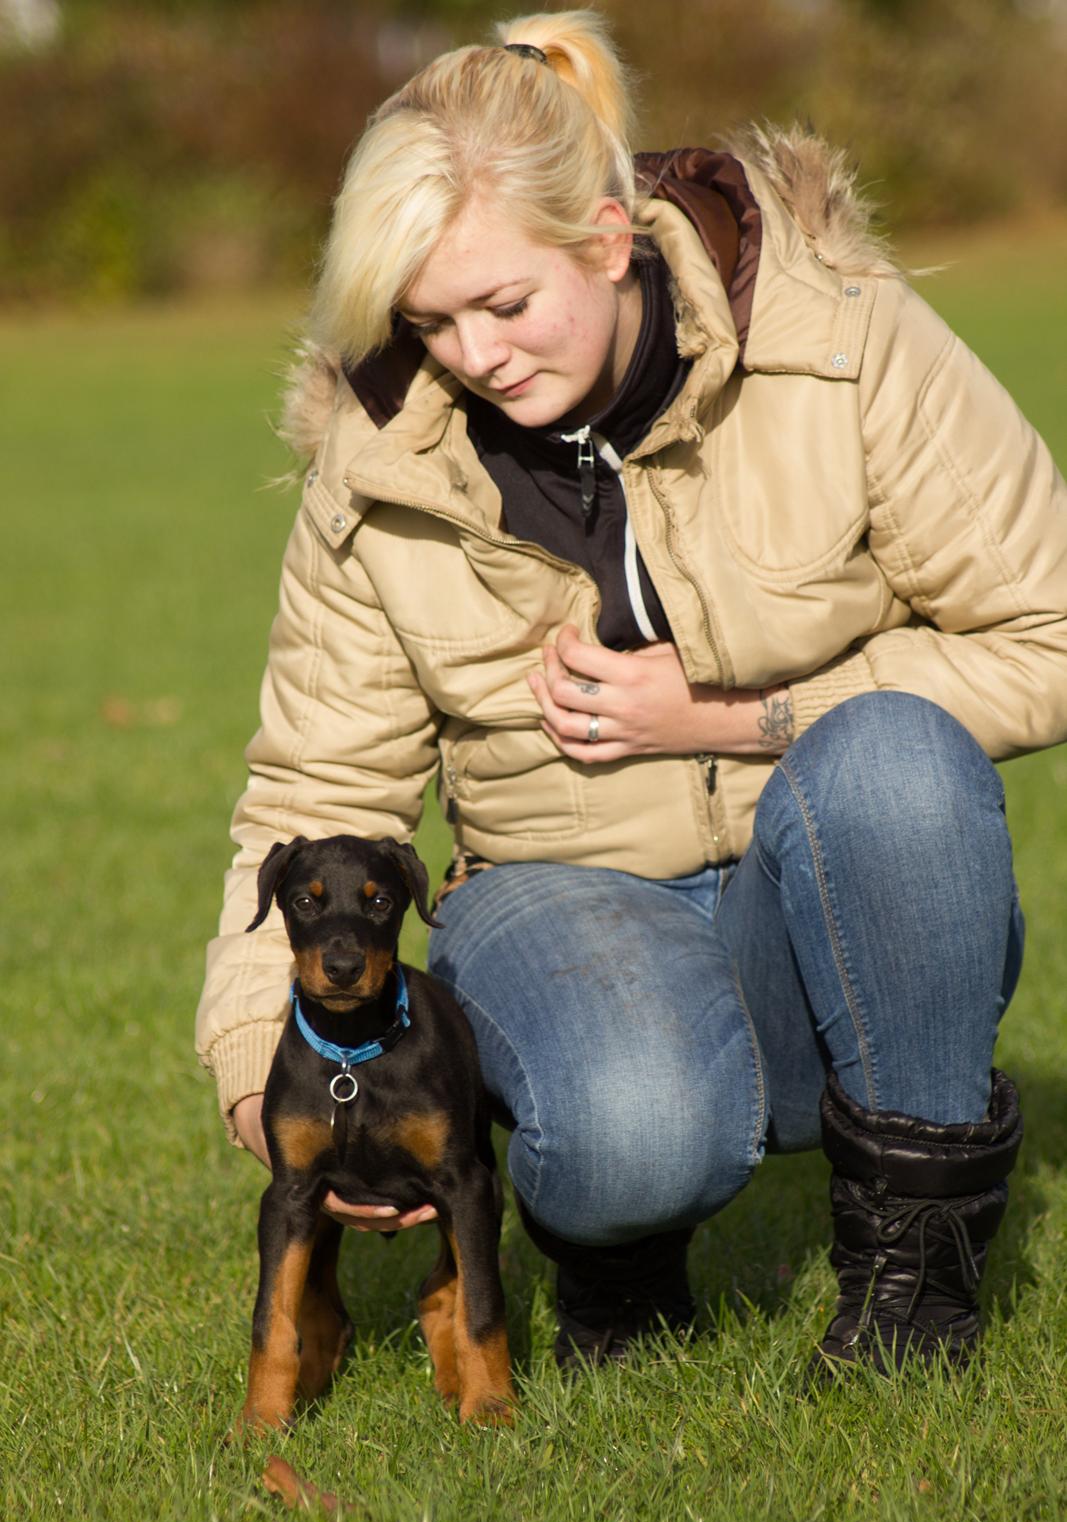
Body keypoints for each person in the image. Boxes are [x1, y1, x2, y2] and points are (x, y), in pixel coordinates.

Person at [196, 10, 1066, 1376]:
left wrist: (740, 717)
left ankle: (916, 1279)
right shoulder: (378, 469)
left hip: (816, 870)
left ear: (608, 240)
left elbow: (1051, 628)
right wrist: (259, 1062)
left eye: (504, 304)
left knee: (895, 757)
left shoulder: (839, 341)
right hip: (561, 893)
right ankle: (615, 1247)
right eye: (429, 320)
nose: (473, 355)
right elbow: (318, 793)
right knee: (633, 1127)